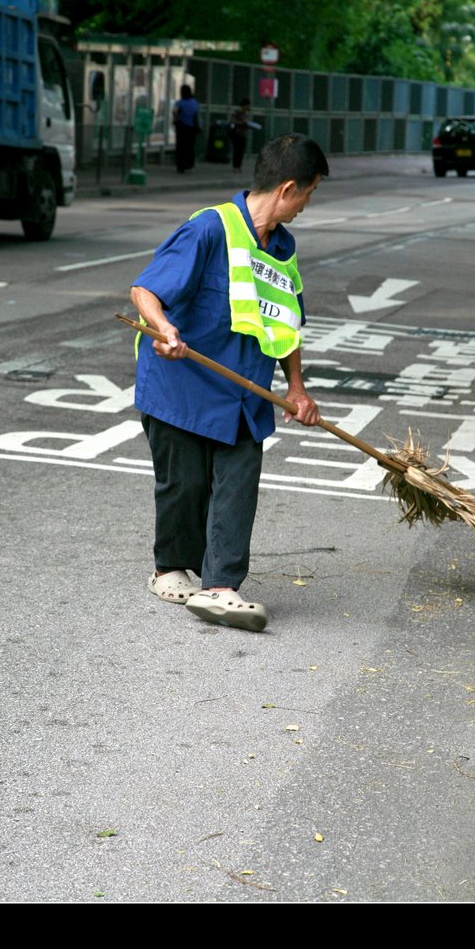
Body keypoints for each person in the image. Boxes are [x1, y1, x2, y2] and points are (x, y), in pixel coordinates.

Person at [129, 134, 329, 633]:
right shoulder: (209, 228)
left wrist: (298, 388)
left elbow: (285, 325)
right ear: (287, 189)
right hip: (181, 384)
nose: (308, 204)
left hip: (243, 391)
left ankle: (220, 586)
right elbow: (145, 289)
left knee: (239, 483)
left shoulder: (282, 246)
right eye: (309, 193)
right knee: (186, 485)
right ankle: (167, 569)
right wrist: (165, 329)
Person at [172, 84, 200, 173]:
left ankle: (181, 166)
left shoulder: (180, 103)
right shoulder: (194, 103)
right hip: (191, 128)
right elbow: (196, 115)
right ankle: (189, 164)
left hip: (181, 127)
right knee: (190, 147)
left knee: (181, 147)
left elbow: (175, 113)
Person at [229, 98, 254, 172]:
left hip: (243, 134)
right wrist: (241, 123)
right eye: (247, 105)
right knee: (236, 151)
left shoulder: (247, 113)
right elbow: (232, 120)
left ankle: (239, 166)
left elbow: (247, 122)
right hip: (237, 133)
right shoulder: (237, 112)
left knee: (241, 151)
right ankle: (235, 167)